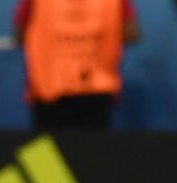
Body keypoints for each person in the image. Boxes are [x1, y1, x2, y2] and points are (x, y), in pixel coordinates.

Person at [13, 0, 141, 131]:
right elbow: (131, 34)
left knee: (40, 147)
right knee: (93, 147)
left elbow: (19, 36)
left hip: (49, 86)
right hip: (96, 86)